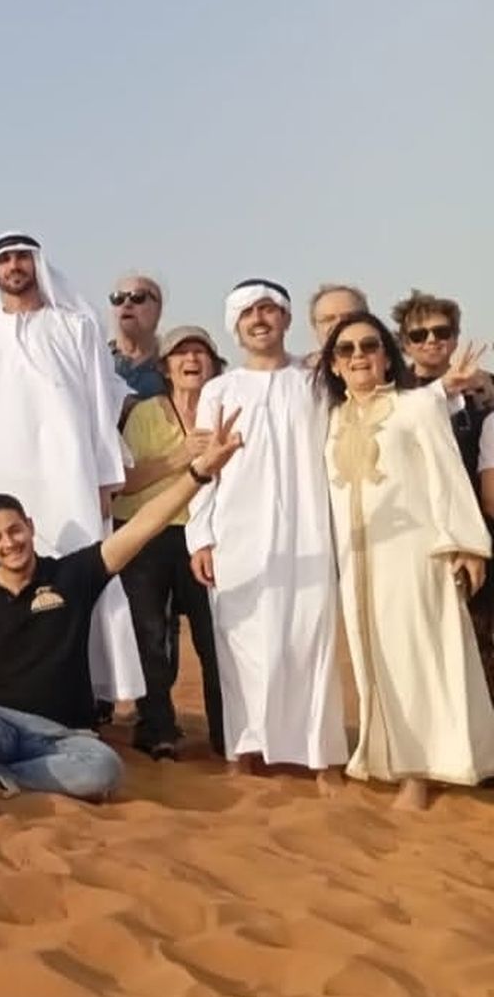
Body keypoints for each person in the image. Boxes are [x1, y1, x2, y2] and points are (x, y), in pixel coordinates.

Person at [0, 404, 246, 818]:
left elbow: (144, 524)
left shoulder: (73, 575)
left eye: (15, 530)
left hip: (65, 734)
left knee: (103, 768)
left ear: (30, 526)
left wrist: (198, 472)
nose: (9, 543)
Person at [0, 233, 145, 711]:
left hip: (70, 476)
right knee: (10, 578)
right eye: (4, 259)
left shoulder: (76, 326)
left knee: (80, 574)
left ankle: (92, 693)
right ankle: (16, 690)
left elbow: (99, 409)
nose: (13, 266)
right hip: (3, 477)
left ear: (37, 264)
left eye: (21, 257)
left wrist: (105, 480)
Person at [319, 314, 494, 808]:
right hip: (358, 562)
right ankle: (387, 759)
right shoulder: (332, 419)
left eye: (369, 345)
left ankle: (419, 771)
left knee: (416, 658)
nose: (358, 356)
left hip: (414, 558)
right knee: (374, 659)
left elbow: (447, 472)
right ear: (333, 364)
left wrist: (465, 542)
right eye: (346, 349)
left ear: (386, 355)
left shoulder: (415, 406)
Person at [186, 279, 351, 788]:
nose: (259, 320)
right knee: (242, 645)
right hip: (237, 535)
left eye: (268, 309)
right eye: (248, 313)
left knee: (311, 640)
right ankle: (245, 750)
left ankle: (322, 757)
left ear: (285, 319)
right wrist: (201, 536)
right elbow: (204, 469)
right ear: (235, 326)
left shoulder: (316, 382)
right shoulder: (219, 390)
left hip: (309, 531)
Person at [113, 326, 227, 759]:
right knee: (151, 634)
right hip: (148, 532)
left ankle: (227, 732)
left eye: (201, 352)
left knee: (213, 636)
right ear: (165, 367)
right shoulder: (145, 414)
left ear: (214, 364)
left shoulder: (225, 411)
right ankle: (157, 726)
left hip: (207, 535)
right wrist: (181, 457)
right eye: (181, 353)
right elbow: (125, 482)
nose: (191, 360)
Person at [392, 290, 494, 695]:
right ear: (404, 343)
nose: (431, 341)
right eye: (419, 335)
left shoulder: (484, 391)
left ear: (455, 337)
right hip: (418, 536)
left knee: (484, 637)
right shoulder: (392, 396)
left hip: (480, 529)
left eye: (441, 332)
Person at [108, 274, 167, 405]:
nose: (127, 304)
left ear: (158, 309)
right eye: (118, 298)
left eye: (138, 297)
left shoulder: (174, 366)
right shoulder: (94, 360)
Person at [306, 283, 369, 363]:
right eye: (328, 319)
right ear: (314, 327)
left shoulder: (381, 366)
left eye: (348, 317)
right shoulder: (300, 369)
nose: (338, 324)